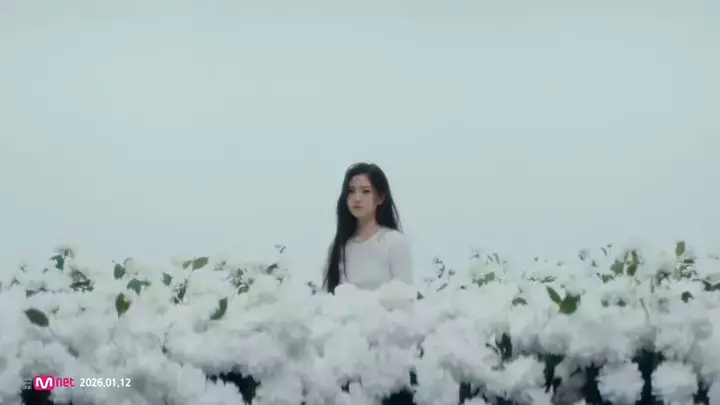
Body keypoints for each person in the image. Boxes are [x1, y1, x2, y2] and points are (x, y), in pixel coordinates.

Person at [323, 162, 413, 293]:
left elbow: (406, 296)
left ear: (380, 198)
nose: (357, 198)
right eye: (351, 191)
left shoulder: (394, 242)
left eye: (365, 191)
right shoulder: (338, 247)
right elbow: (328, 297)